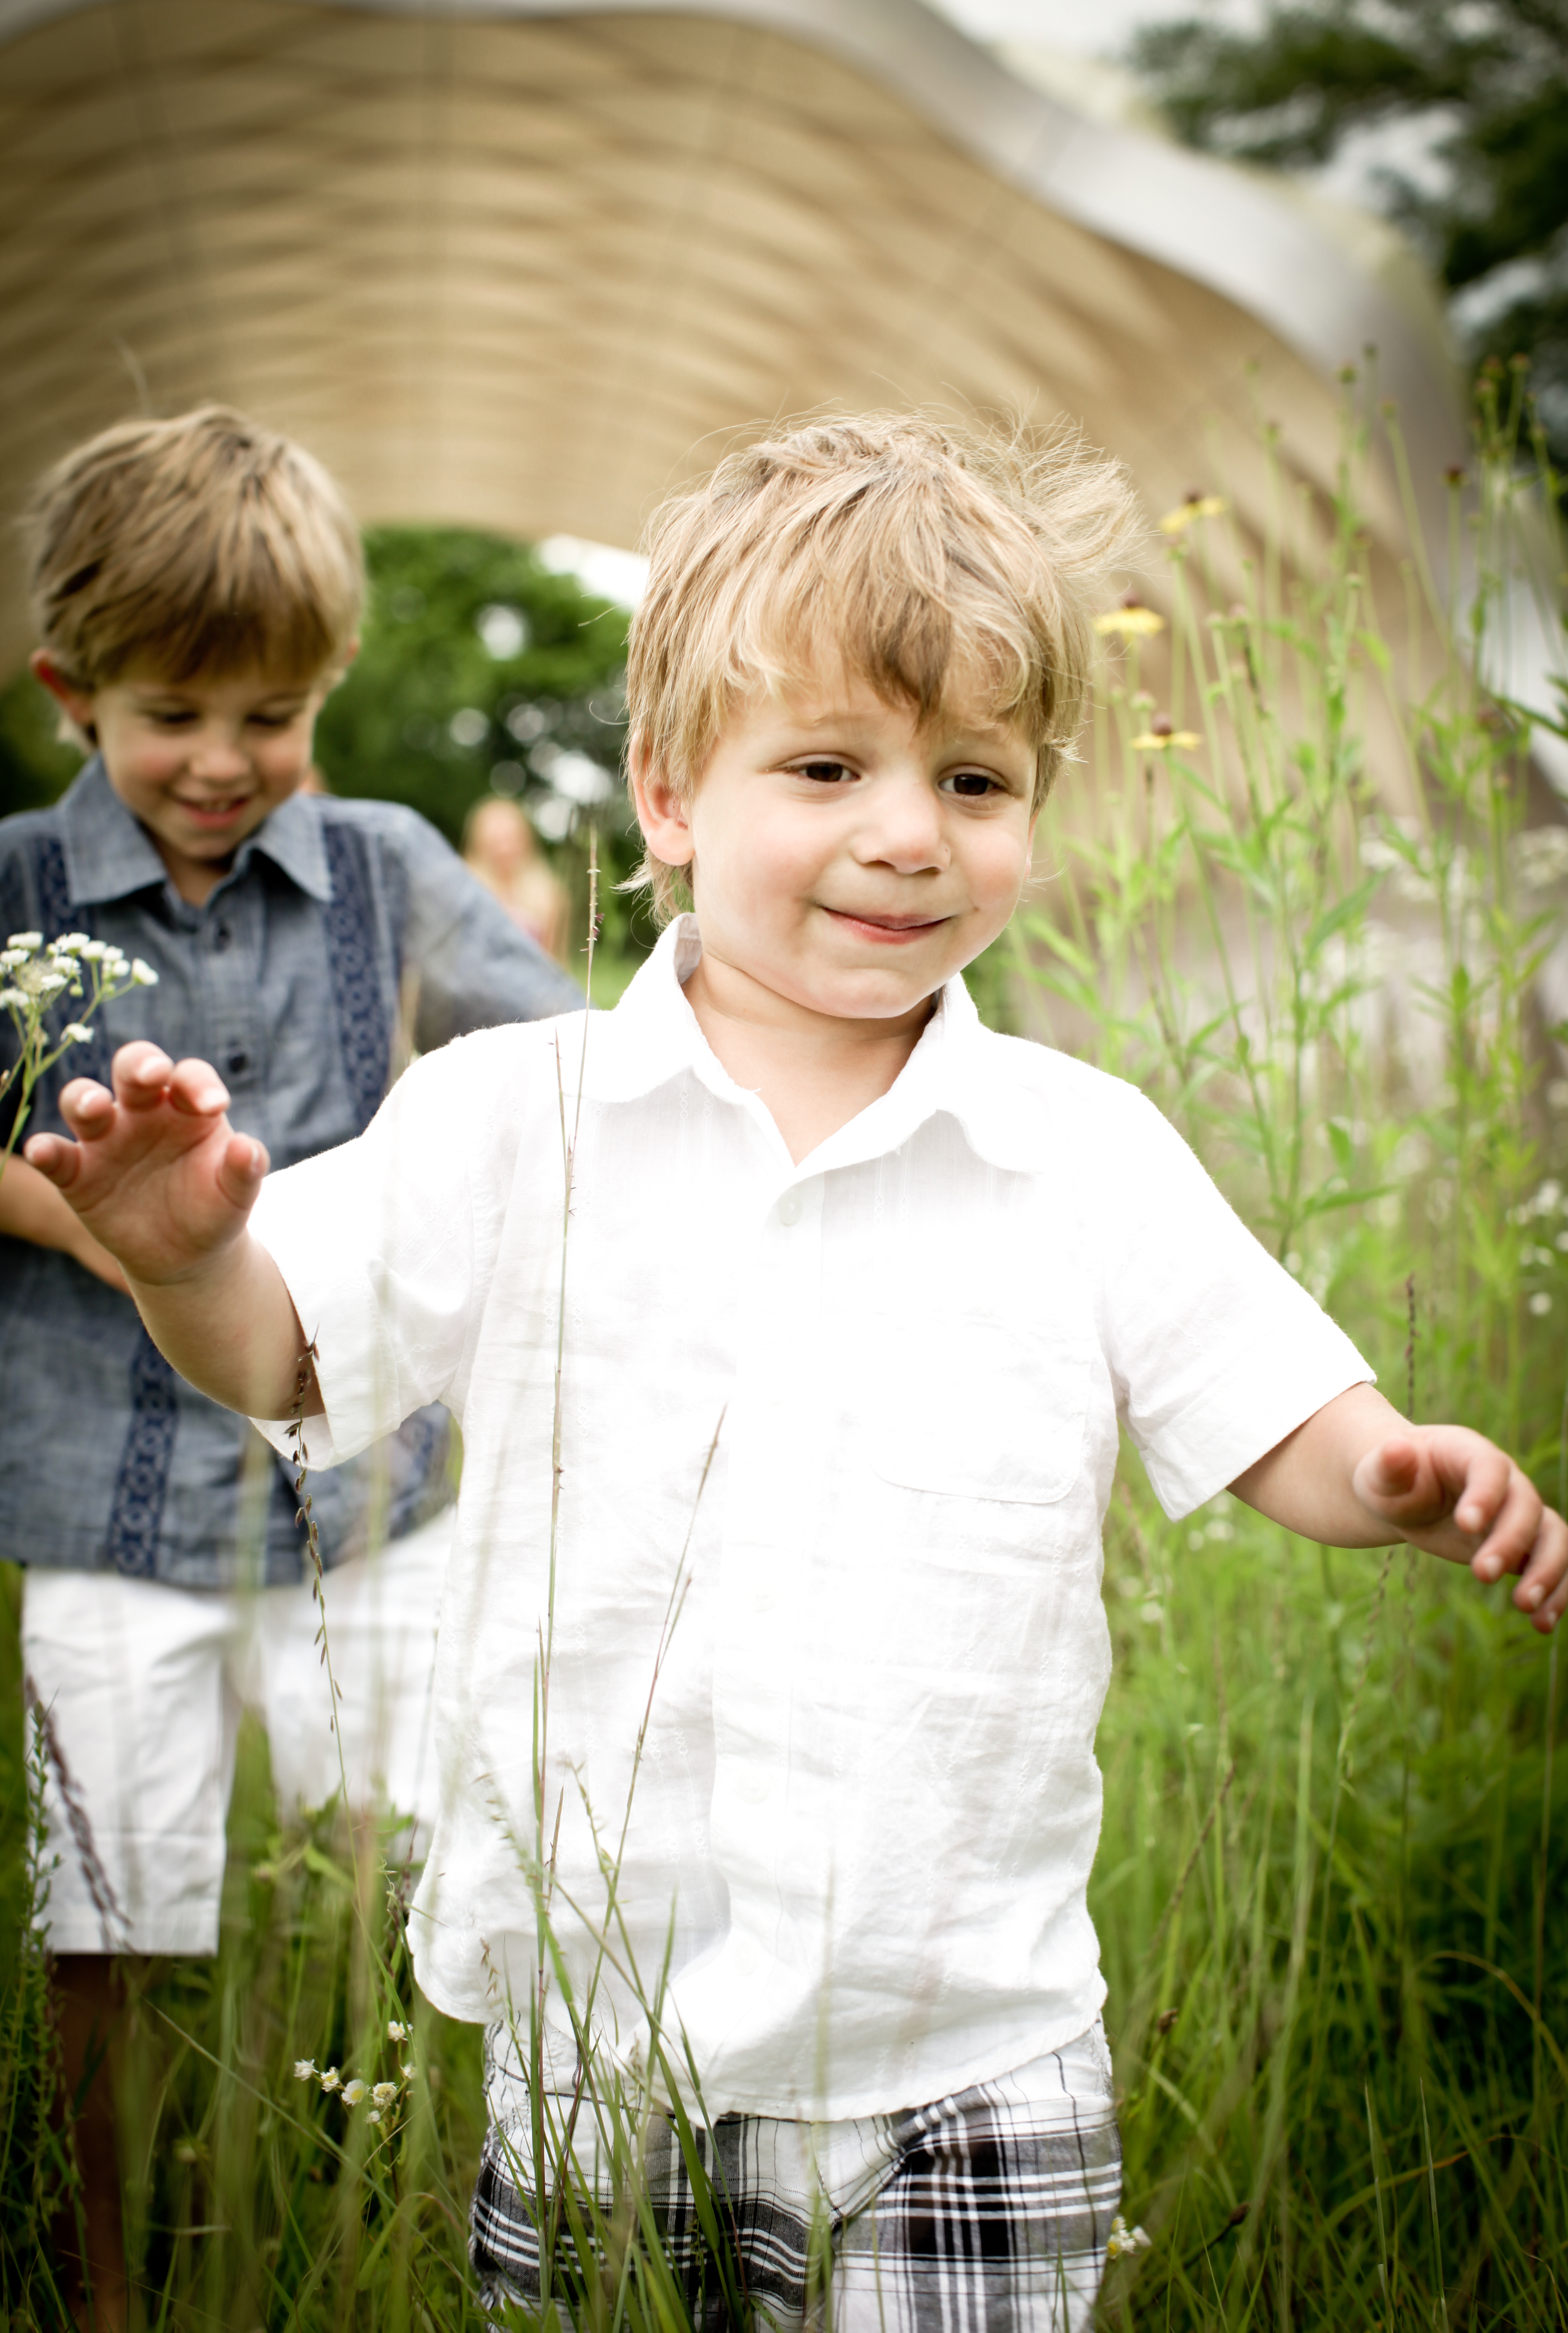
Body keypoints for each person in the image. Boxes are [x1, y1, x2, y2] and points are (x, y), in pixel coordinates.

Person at [25, 414, 1567, 2331]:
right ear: (667, 791)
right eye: (825, 765)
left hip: (967, 2031)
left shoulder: (1073, 1142)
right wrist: (190, 1253)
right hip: (593, 2025)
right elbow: (286, 1346)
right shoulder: (521, 1113)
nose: (907, 829)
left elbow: (1271, 1408)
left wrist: (1397, 1464)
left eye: (974, 775)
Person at [0, 404, 581, 2327]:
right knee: (115, 1904)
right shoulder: (15, 885)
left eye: (275, 715)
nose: (226, 762)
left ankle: (407, 2215)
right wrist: (117, 1222)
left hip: (362, 1499)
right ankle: (107, 2271)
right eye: (176, 712)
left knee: (407, 1865)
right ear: (69, 687)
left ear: (327, 688)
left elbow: (553, 1057)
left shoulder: (387, 862)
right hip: (99, 1490)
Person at [461, 791, 569, 959]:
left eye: (510, 839)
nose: (504, 849)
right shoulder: (465, 888)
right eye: (495, 841)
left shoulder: (548, 894)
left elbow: (554, 961)